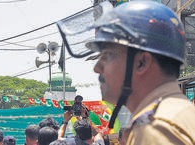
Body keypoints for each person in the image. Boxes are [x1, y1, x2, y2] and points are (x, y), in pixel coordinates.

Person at [57, 0, 195, 144]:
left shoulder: (154, 132)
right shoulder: (175, 116)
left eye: (108, 56)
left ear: (141, 62)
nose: (97, 68)